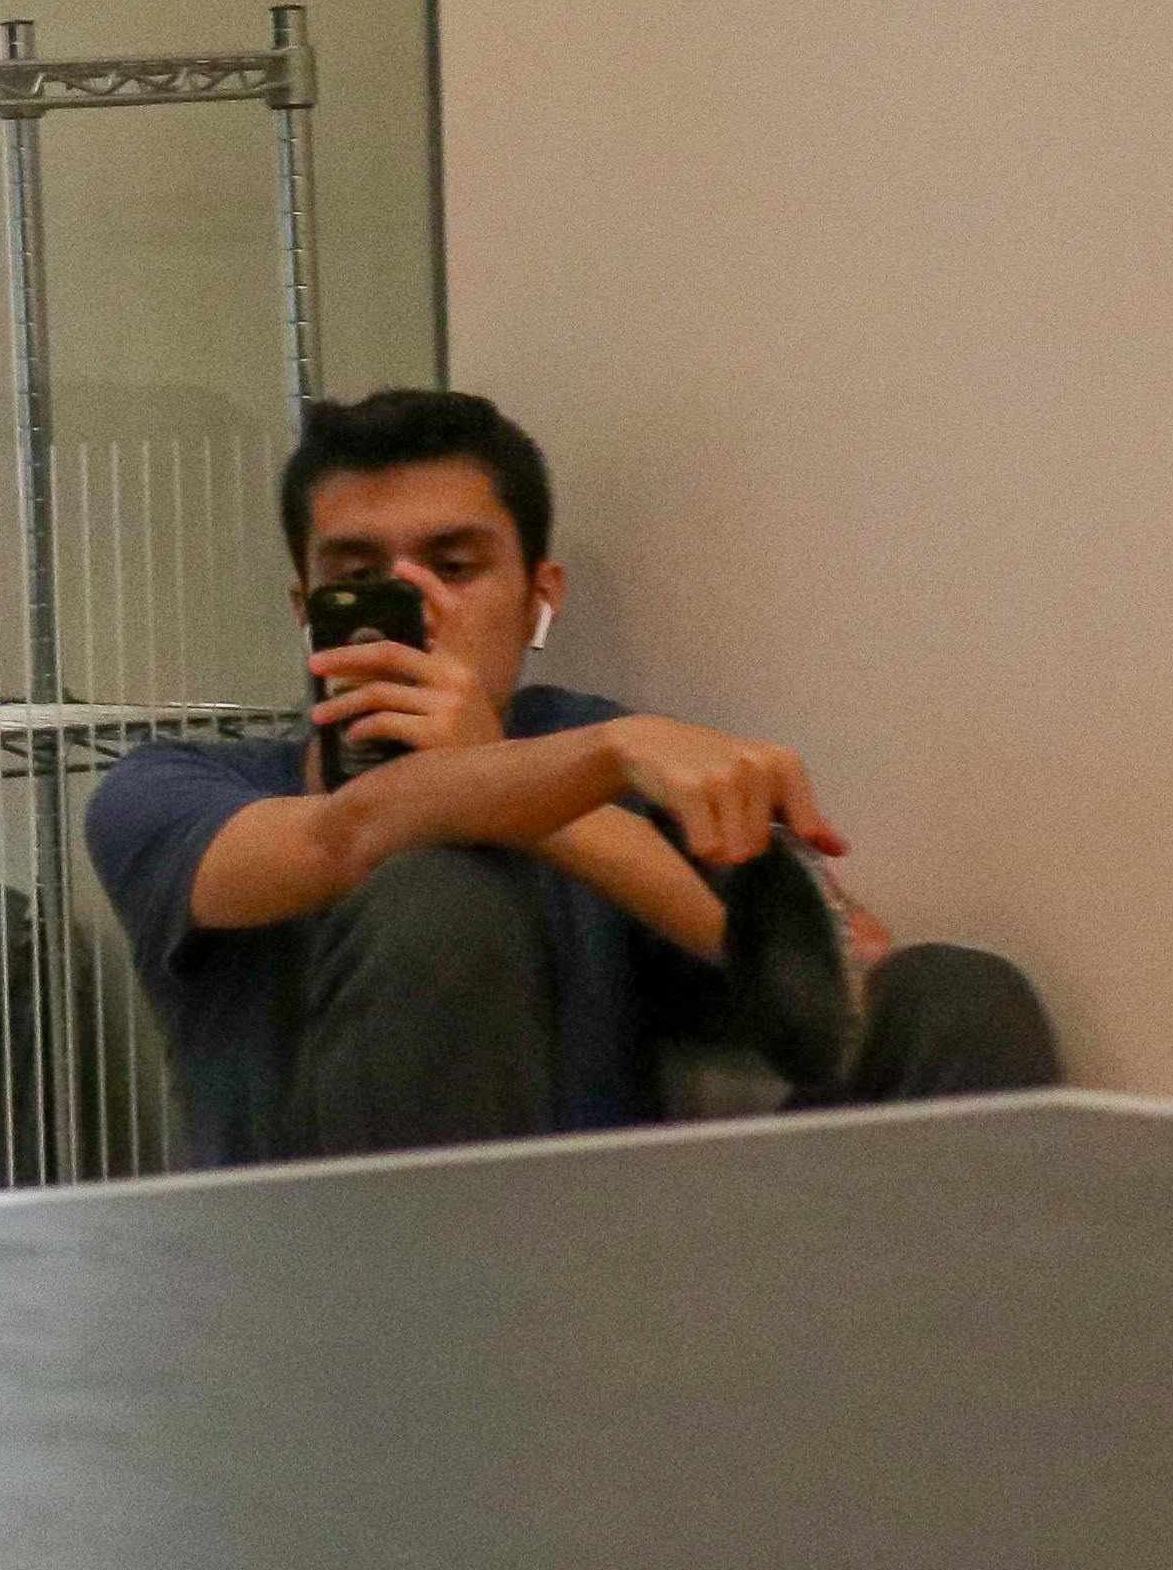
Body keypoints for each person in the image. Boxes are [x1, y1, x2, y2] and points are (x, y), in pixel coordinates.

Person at [84, 387, 1057, 1167]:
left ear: (538, 596)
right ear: (308, 611)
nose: (414, 603)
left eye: (455, 565)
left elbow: (840, 977)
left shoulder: (592, 747)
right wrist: (518, 774)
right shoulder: (169, 789)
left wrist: (538, 791)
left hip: (608, 1285)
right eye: (362, 574)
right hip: (324, 1292)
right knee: (437, 891)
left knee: (956, 994)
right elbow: (337, 836)